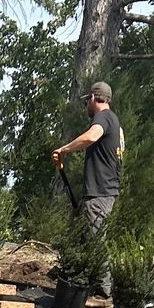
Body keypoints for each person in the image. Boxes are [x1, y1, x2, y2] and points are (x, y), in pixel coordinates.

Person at [51, 81, 123, 230]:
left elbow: (91, 136)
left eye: (86, 102)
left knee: (93, 248)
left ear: (92, 98)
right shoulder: (114, 122)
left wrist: (63, 149)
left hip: (99, 194)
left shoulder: (103, 117)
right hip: (104, 192)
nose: (86, 107)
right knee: (81, 245)